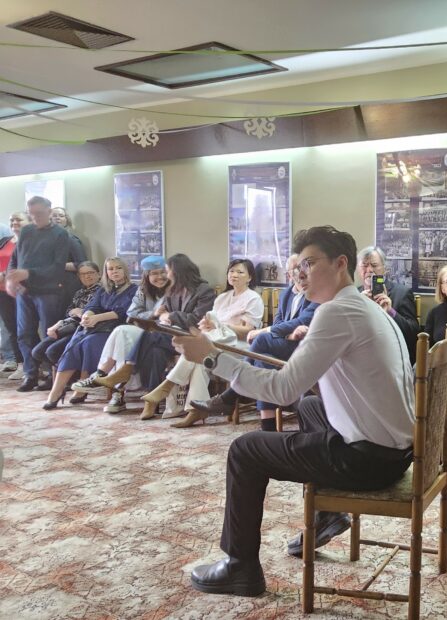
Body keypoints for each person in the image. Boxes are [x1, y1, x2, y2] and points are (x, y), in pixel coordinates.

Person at [171, 226, 414, 597]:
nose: (301, 273)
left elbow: (282, 390)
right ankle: (326, 515)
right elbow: (324, 381)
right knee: (312, 406)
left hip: (369, 461)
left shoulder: (336, 312)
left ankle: (241, 567)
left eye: (310, 264)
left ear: (341, 263)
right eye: (299, 266)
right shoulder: (362, 305)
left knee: (245, 450)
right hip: (397, 450)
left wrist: (211, 356)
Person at [189, 254, 318, 431]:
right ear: (288, 274)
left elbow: (302, 321)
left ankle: (230, 396)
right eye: (294, 269)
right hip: (286, 342)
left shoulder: (316, 292)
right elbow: (280, 322)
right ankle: (268, 429)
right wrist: (287, 334)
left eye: (302, 267)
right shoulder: (286, 293)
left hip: (303, 347)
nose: (299, 272)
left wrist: (266, 331)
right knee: (263, 362)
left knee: (262, 338)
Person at [147, 259, 263, 427]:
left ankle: (168, 384)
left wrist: (221, 325)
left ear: (249, 277)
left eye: (240, 272)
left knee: (199, 349)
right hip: (215, 341)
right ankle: (196, 410)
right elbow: (209, 322)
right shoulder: (222, 297)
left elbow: (248, 331)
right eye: (231, 271)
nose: (234, 275)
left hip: (238, 345)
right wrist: (206, 325)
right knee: (200, 360)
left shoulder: (253, 298)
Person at [93, 254, 215, 407]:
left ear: (178, 272)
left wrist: (170, 316)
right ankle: (151, 402)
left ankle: (126, 369)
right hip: (172, 334)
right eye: (157, 273)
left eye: (166, 271)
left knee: (151, 335)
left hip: (193, 336)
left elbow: (197, 319)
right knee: (155, 352)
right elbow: (141, 314)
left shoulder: (204, 290)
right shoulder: (171, 289)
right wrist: (163, 316)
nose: (165, 276)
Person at [72, 255, 169, 414]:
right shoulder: (142, 290)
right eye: (154, 273)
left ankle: (104, 376)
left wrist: (153, 316)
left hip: (164, 333)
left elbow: (172, 317)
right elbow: (132, 313)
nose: (159, 277)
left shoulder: (174, 291)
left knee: (121, 331)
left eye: (162, 272)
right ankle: (115, 388)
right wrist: (153, 314)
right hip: (144, 331)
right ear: (147, 276)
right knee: (121, 335)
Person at [7, 196, 85, 392]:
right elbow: (16, 259)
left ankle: (52, 374)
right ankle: (30, 374)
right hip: (25, 292)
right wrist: (11, 279)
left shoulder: (60, 234)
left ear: (49, 212)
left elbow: (57, 267)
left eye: (39, 213)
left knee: (50, 333)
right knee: (24, 334)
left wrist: (28, 273)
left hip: (49, 292)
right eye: (31, 214)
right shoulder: (26, 231)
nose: (35, 217)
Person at [42, 258, 136, 409]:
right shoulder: (103, 290)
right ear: (106, 272)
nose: (114, 271)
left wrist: (96, 318)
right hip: (95, 328)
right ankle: (56, 391)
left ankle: (81, 389)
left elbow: (124, 312)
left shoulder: (134, 289)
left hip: (116, 331)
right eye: (110, 269)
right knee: (73, 346)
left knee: (88, 344)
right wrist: (87, 316)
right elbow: (92, 306)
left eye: (118, 268)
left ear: (125, 270)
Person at [31, 261, 102, 391]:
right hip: (69, 326)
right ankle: (58, 377)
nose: (87, 276)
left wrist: (80, 312)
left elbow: (93, 312)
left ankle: (68, 378)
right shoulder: (79, 292)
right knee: (37, 351)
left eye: (90, 273)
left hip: (84, 329)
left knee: (52, 351)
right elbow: (69, 310)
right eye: (83, 274)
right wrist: (64, 320)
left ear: (98, 274)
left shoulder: (102, 291)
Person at [356, 246, 419, 357]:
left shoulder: (402, 293)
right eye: (364, 265)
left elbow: (413, 333)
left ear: (384, 269)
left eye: (374, 265)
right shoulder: (355, 295)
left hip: (392, 355)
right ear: (358, 269)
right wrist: (358, 307)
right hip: (361, 355)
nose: (369, 270)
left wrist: (390, 311)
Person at [51, 207, 89, 311]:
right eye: (54, 216)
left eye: (61, 216)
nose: (57, 218)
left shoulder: (71, 240)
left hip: (67, 286)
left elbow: (81, 264)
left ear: (66, 220)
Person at [0, 223, 20, 373]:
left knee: (24, 328)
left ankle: (30, 363)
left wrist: (5, 274)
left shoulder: (28, 242)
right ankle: (14, 360)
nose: (15, 224)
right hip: (2, 290)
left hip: (20, 289)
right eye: (12, 221)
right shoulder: (4, 241)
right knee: (9, 326)